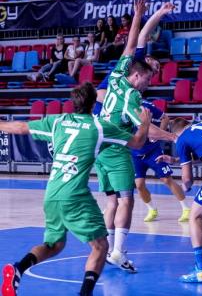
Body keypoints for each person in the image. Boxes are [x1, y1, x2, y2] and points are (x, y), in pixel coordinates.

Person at [1, 82, 151, 296]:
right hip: (75, 195)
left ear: (74, 103)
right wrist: (144, 123)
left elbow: (21, 127)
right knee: (100, 246)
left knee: (54, 245)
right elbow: (137, 142)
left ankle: (18, 269)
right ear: (94, 103)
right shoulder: (99, 126)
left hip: (52, 193)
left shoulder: (58, 121)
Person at [94, 0, 176, 273]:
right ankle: (117, 251)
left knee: (111, 200)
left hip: (99, 144)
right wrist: (176, 139)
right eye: (151, 75)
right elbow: (149, 129)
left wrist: (143, 12)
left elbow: (132, 41)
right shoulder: (133, 93)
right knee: (126, 199)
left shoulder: (119, 71)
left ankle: (105, 246)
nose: (152, 79)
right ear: (140, 74)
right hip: (116, 145)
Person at [156, 117, 202, 283]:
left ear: (173, 134)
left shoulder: (182, 139)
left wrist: (184, 188)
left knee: (195, 216)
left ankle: (201, 270)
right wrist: (177, 160)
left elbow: (188, 179)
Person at [131, 100, 190, 222]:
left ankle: (186, 209)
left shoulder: (146, 106)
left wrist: (158, 136)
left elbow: (165, 118)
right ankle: (152, 210)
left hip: (153, 151)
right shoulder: (121, 109)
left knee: (166, 179)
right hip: (135, 154)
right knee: (139, 185)